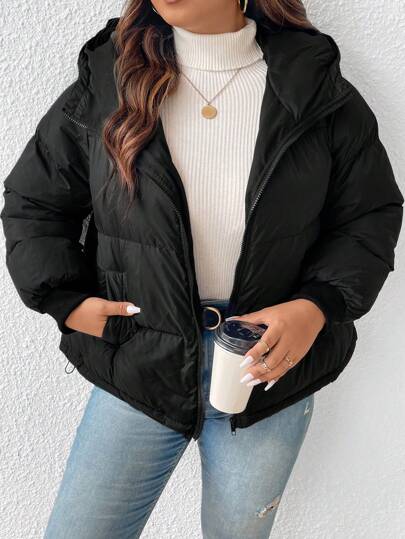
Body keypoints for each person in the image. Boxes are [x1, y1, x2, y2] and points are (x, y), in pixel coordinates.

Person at [1, 1, 403, 537]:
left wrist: (316, 306)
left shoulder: (316, 90)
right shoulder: (110, 82)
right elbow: (34, 202)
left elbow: (369, 215)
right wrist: (63, 298)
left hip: (265, 370)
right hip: (140, 361)